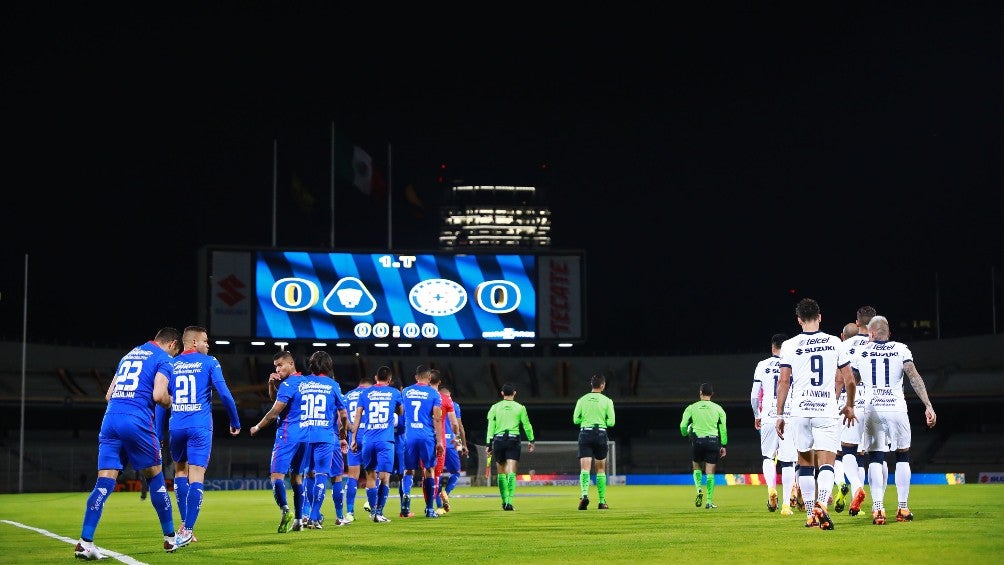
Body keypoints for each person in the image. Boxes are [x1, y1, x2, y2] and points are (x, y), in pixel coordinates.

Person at [74, 327, 183, 560]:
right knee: (155, 476)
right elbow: (159, 395)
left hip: (111, 419)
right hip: (137, 420)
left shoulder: (129, 355)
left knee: (104, 481)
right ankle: (170, 538)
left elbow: (108, 394)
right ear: (173, 344)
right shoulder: (164, 359)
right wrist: (175, 403)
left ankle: (85, 542)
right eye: (175, 352)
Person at [775, 298, 856, 530]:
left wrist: (779, 414)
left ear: (799, 319)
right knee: (828, 462)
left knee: (805, 462)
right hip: (826, 410)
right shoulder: (835, 342)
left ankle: (811, 514)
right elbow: (849, 379)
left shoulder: (789, 345)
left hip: (800, 411)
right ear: (820, 317)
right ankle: (822, 503)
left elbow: (783, 381)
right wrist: (849, 405)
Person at [855, 315, 937, 525]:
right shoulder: (901, 349)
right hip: (896, 408)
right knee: (902, 456)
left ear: (871, 333)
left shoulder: (861, 351)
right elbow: (914, 376)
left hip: (872, 408)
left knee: (875, 457)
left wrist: (844, 405)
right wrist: (928, 405)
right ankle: (902, 508)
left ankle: (879, 509)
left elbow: (850, 381)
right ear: (889, 333)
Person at [164, 325, 241, 547]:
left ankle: (183, 526)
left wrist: (160, 431)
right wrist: (235, 421)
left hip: (176, 425)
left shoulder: (171, 363)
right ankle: (187, 529)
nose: (209, 345)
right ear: (195, 342)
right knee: (196, 475)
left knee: (180, 472)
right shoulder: (209, 362)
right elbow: (225, 394)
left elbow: (160, 401)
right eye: (206, 341)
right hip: (199, 426)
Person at [288, 350, 349, 530]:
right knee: (322, 475)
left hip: (304, 435)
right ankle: (315, 516)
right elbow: (343, 415)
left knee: (308, 473)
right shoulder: (333, 385)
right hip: (325, 435)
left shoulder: (302, 383)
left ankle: (305, 514)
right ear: (329, 365)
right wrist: (343, 432)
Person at [248, 349, 304, 533]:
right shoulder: (304, 382)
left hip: (287, 435)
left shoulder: (289, 385)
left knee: (276, 476)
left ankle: (285, 510)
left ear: (291, 364)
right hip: (305, 436)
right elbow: (276, 399)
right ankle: (298, 520)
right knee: (297, 478)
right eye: (275, 366)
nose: (278, 369)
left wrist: (257, 426)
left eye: (280, 365)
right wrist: (272, 385)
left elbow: (274, 412)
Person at [349, 365, 404, 523]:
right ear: (390, 380)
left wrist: (354, 438)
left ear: (375, 378)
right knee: (385, 477)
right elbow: (400, 412)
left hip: (367, 440)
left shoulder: (365, 393)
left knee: (370, 476)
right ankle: (379, 512)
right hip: (385, 441)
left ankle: (373, 512)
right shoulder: (394, 393)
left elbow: (358, 415)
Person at [749, 333, 797, 515]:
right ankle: (786, 504)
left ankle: (771, 488)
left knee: (768, 458)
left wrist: (757, 415)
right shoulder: (793, 363)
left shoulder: (762, 365)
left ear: (772, 347)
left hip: (768, 416)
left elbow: (754, 396)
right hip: (788, 416)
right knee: (787, 462)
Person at [836, 307, 874, 516]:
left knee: (847, 450)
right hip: (877, 404)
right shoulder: (880, 344)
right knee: (875, 456)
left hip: (851, 402)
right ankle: (879, 507)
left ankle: (857, 487)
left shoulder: (845, 346)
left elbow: (839, 379)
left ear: (857, 323)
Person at [401, 364, 444, 518]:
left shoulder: (405, 391)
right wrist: (439, 441)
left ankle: (406, 499)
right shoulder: (434, 394)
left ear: (416, 377)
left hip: (409, 436)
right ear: (430, 377)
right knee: (429, 470)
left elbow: (401, 414)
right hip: (426, 436)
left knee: (408, 470)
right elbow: (437, 419)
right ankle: (429, 509)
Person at [485, 382, 536, 511]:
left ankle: (504, 501)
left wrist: (488, 444)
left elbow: (490, 427)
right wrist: (531, 440)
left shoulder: (495, 407)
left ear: (502, 393)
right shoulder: (520, 408)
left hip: (499, 440)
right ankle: (509, 501)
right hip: (513, 440)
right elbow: (527, 425)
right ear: (514, 393)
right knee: (511, 471)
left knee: (501, 472)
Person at [680, 382, 728, 509]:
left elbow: (683, 426)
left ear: (700, 393)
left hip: (698, 441)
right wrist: (724, 445)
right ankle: (709, 501)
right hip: (713, 442)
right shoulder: (718, 409)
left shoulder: (691, 407)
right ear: (712, 394)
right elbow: (723, 429)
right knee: (710, 472)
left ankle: (699, 489)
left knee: (696, 467)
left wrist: (686, 433)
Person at [572, 373, 616, 510]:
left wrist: (585, 420)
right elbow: (612, 422)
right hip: (600, 434)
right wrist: (602, 421)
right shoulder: (607, 401)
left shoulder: (582, 400)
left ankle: (584, 495)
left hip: (585, 433)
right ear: (603, 385)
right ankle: (602, 501)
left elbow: (575, 419)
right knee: (601, 469)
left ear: (591, 385)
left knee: (585, 468)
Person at [429, 370, 466, 513]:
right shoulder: (453, 404)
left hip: (434, 440)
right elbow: (458, 426)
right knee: (455, 472)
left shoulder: (430, 399)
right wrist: (460, 443)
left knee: (434, 474)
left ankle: (438, 505)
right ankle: (447, 493)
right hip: (451, 442)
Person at [341, 373, 373, 523]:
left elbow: (342, 418)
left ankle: (350, 512)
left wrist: (349, 432)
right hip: (369, 436)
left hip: (353, 435)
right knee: (373, 474)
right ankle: (372, 507)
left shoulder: (347, 396)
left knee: (353, 475)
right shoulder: (372, 394)